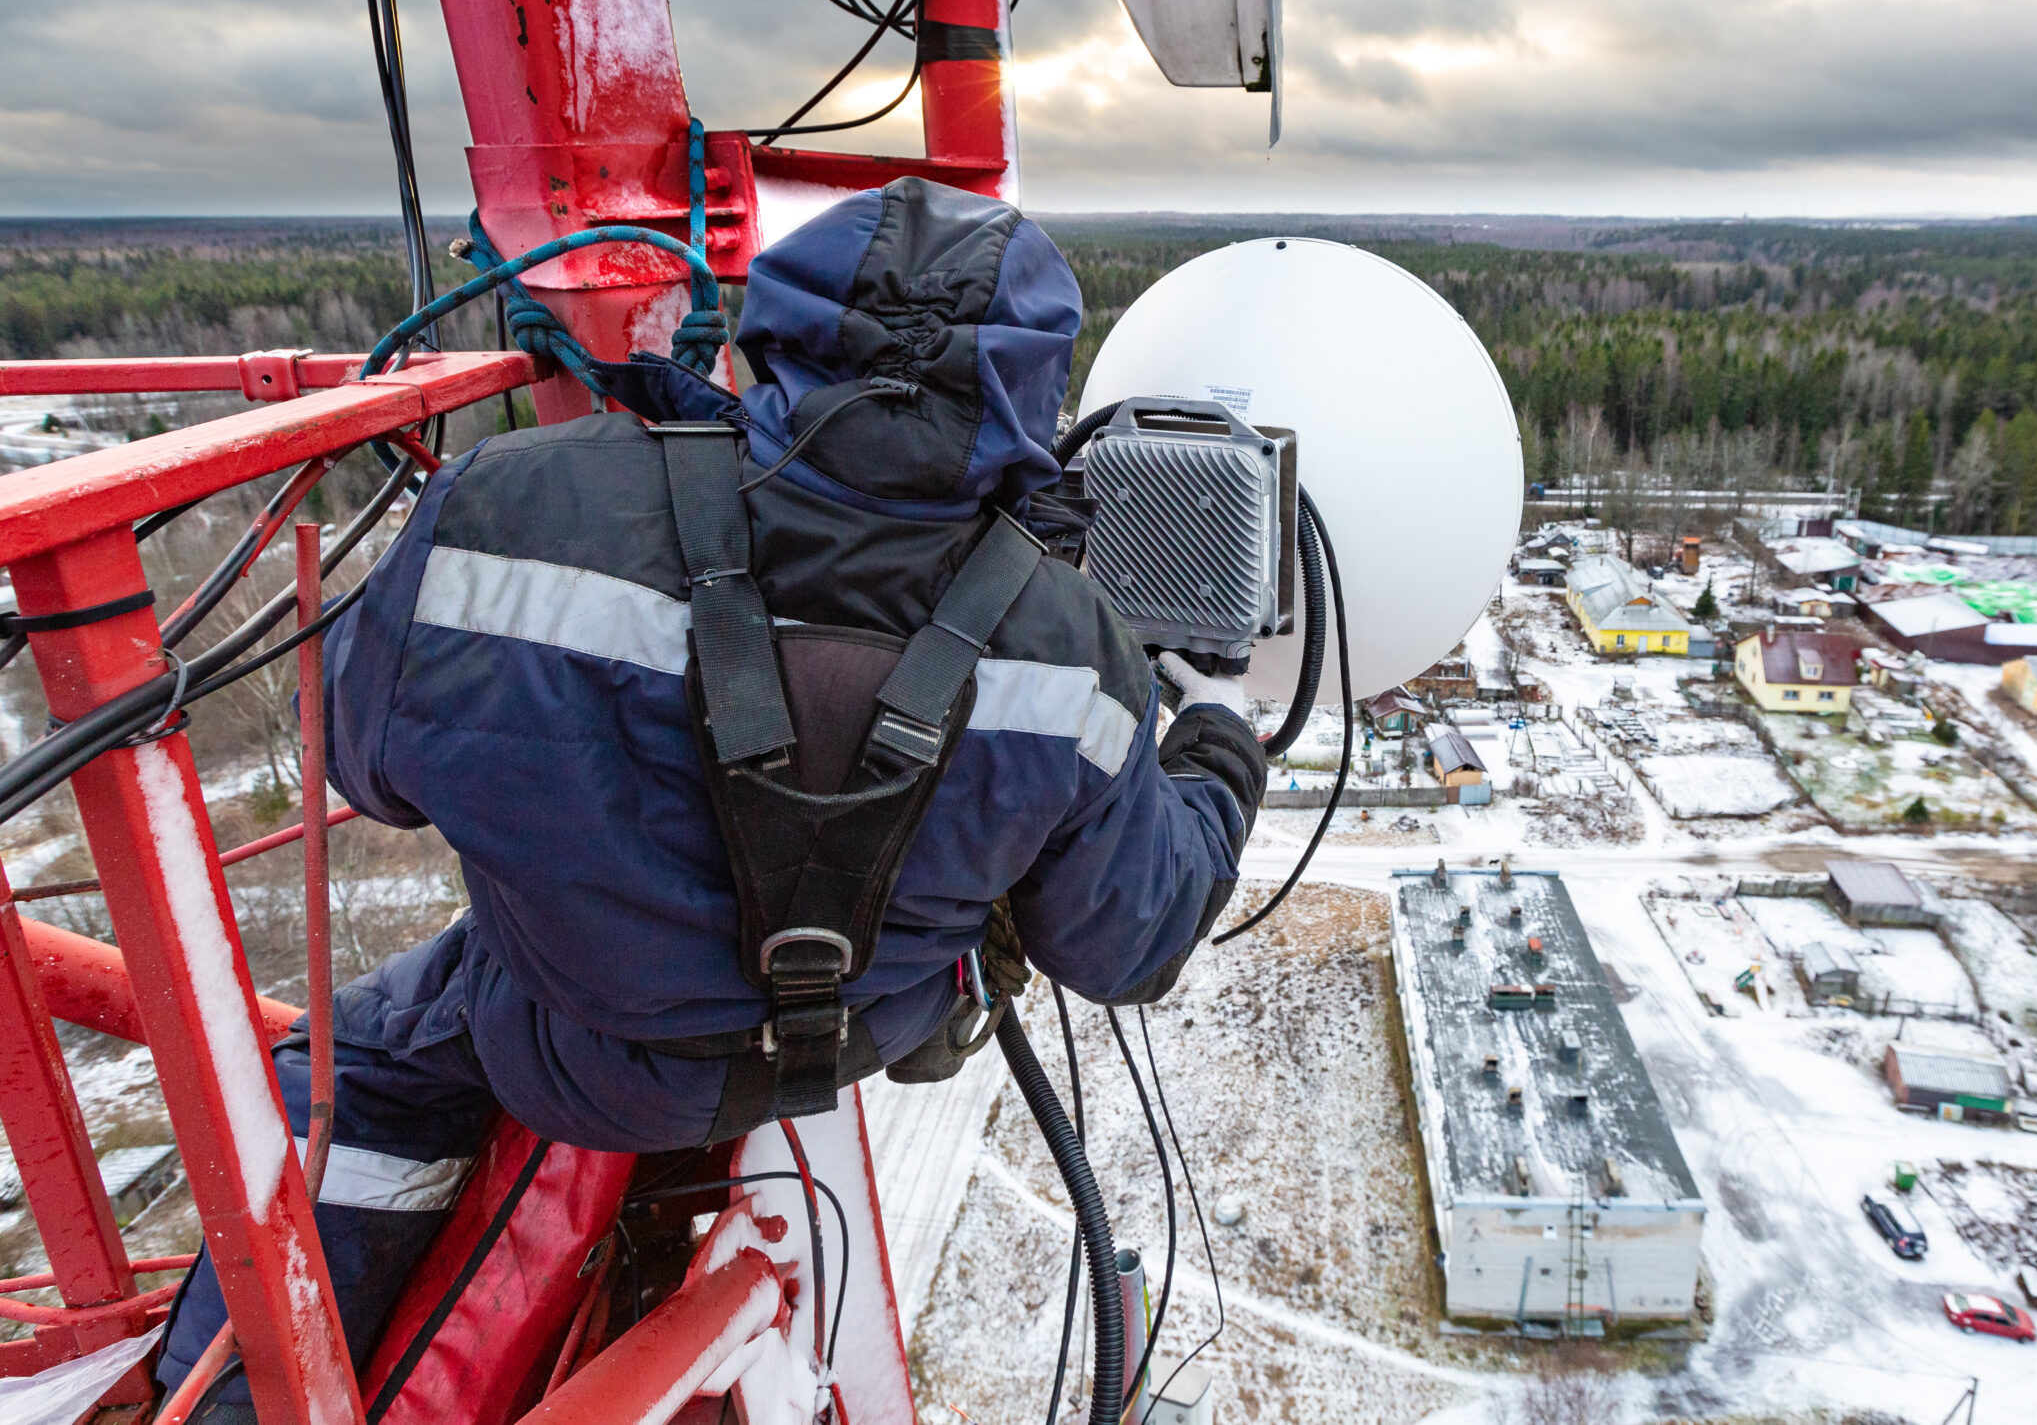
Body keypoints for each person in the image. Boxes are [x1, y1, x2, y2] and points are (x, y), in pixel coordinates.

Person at [158, 181, 1267, 1416]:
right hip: (857, 1040)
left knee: (358, 1064)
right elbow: (1128, 942)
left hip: (562, 1047)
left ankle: (242, 1392)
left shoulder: (511, 509)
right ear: (1029, 399)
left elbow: (366, 766)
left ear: (764, 334)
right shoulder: (1075, 648)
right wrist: (1220, 752)